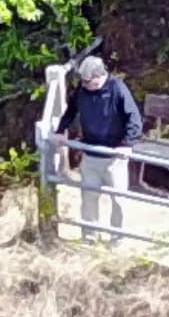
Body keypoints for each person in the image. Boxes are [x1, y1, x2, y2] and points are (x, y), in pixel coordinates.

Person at [52, 56, 143, 242]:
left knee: (118, 200)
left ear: (99, 76)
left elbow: (134, 118)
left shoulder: (117, 89)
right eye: (83, 81)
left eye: (88, 81)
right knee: (89, 198)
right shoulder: (82, 91)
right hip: (90, 154)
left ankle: (117, 239)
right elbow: (71, 110)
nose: (85, 85)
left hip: (114, 157)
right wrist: (61, 130)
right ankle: (90, 236)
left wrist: (126, 145)